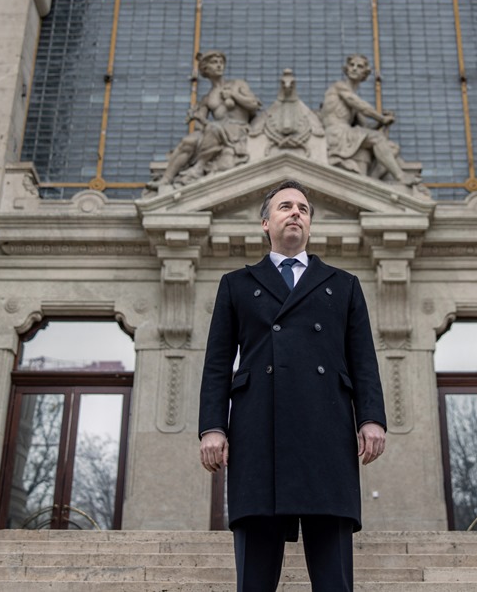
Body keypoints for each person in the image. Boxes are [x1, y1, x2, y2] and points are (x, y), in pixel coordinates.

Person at [198, 180, 387, 592]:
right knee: (255, 579)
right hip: (258, 434)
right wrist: (213, 427)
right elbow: (216, 364)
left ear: (310, 225)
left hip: (327, 433)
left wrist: (372, 418)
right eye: (285, 206)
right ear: (266, 222)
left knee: (334, 577)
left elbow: (363, 361)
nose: (296, 213)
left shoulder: (344, 284)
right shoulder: (236, 284)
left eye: (303, 208)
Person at [155, 50, 260, 189]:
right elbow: (201, 127)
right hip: (218, 131)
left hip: (238, 128)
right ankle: (166, 180)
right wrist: (197, 117)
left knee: (214, 128)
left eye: (221, 62)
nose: (219, 66)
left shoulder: (237, 84)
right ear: (205, 69)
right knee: (188, 141)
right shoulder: (207, 99)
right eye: (214, 62)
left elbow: (254, 105)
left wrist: (234, 95)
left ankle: (199, 167)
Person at [320, 54, 418, 186]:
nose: (354, 69)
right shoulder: (339, 87)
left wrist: (380, 124)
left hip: (345, 134)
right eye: (352, 65)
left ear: (364, 74)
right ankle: (400, 176)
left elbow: (366, 127)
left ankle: (371, 182)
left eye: (359, 66)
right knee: (377, 138)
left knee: (392, 147)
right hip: (336, 134)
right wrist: (381, 118)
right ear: (346, 69)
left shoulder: (352, 101)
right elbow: (361, 106)